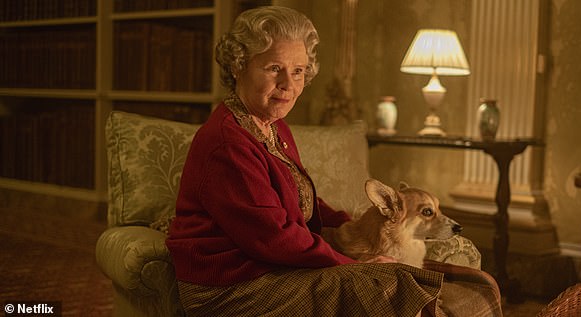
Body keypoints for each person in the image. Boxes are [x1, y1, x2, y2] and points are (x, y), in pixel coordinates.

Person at [166, 6, 501, 317]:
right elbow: (274, 237)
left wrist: (356, 230)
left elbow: (303, 204)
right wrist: (350, 262)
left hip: (272, 265)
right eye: (273, 69)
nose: (288, 84)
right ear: (238, 65)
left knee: (470, 280)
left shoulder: (271, 126)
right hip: (233, 285)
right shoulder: (228, 143)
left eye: (298, 71)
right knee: (386, 286)